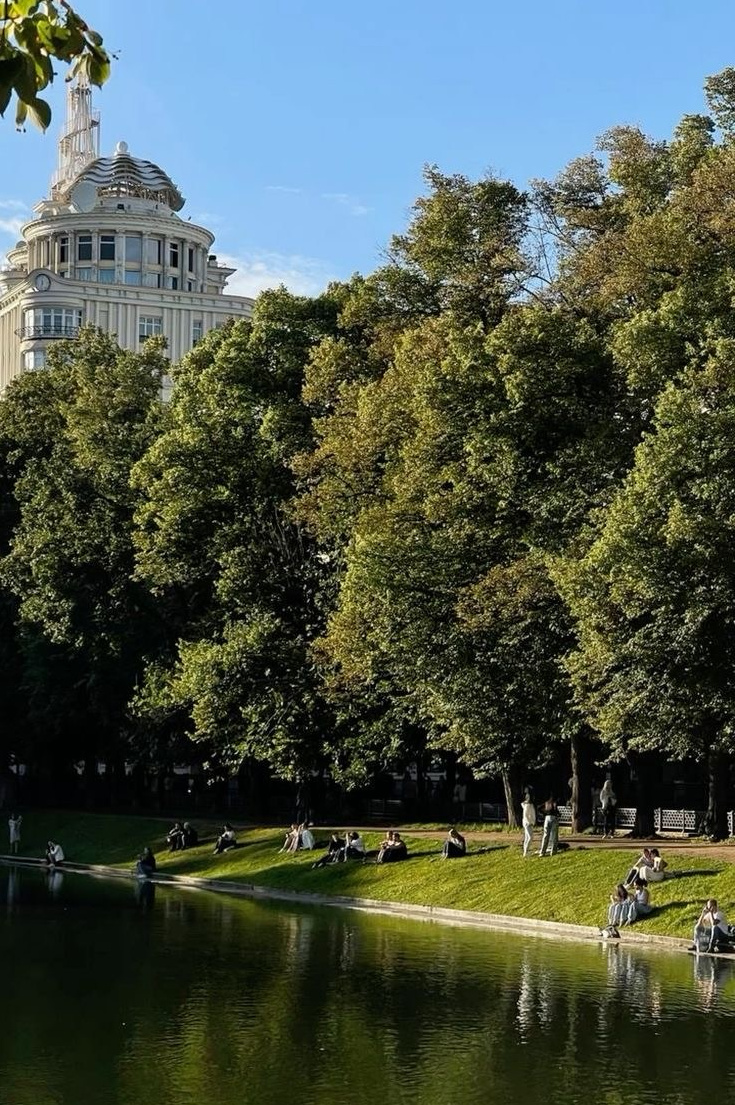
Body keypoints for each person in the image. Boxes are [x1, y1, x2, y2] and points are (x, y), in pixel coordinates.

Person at [521, 792, 536, 858]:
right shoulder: (527, 805)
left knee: (527, 837)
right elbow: (526, 815)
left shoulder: (529, 805)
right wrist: (530, 822)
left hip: (528, 822)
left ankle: (525, 851)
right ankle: (525, 852)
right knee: (530, 837)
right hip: (528, 823)